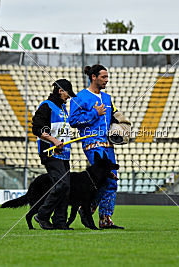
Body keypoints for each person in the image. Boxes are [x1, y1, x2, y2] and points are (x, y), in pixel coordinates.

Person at [69, 64, 124, 229]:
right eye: (103, 77)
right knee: (105, 179)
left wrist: (122, 124)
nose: (107, 80)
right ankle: (87, 210)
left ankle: (104, 219)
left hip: (108, 144)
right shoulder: (81, 97)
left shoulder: (107, 98)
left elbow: (114, 115)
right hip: (92, 143)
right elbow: (73, 121)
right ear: (94, 77)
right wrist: (95, 113)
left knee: (112, 181)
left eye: (107, 77)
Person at [31, 79, 76, 230]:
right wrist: (53, 140)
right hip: (49, 152)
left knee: (66, 188)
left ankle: (60, 222)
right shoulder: (46, 106)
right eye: (67, 93)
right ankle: (42, 215)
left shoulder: (63, 109)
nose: (68, 97)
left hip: (64, 154)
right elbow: (37, 128)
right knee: (61, 184)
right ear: (60, 90)